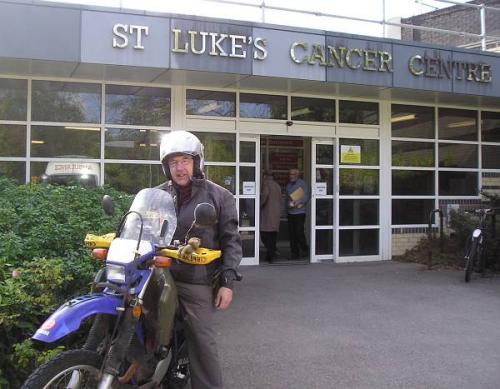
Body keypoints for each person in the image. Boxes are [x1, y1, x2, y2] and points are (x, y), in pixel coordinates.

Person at [158, 130, 242, 389]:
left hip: (195, 280)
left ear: (196, 163)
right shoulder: (158, 194)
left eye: (184, 160)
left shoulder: (219, 196)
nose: (179, 168)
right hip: (161, 272)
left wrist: (227, 281)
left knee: (201, 339)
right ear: (166, 166)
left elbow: (231, 241)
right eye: (173, 162)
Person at [285, 168, 310, 259]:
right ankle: (294, 253)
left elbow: (307, 196)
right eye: (290, 174)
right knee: (292, 234)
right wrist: (288, 205)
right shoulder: (288, 186)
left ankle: (304, 249)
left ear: (297, 175)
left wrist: (298, 201)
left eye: (292, 174)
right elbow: (287, 199)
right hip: (291, 212)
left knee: (299, 232)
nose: (290, 176)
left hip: (300, 212)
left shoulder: (302, 184)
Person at [260, 170, 282, 263]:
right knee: (273, 235)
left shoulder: (266, 184)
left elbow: (265, 196)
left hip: (267, 213)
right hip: (276, 213)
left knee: (265, 235)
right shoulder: (277, 185)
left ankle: (271, 255)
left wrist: (259, 205)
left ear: (265, 176)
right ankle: (271, 254)